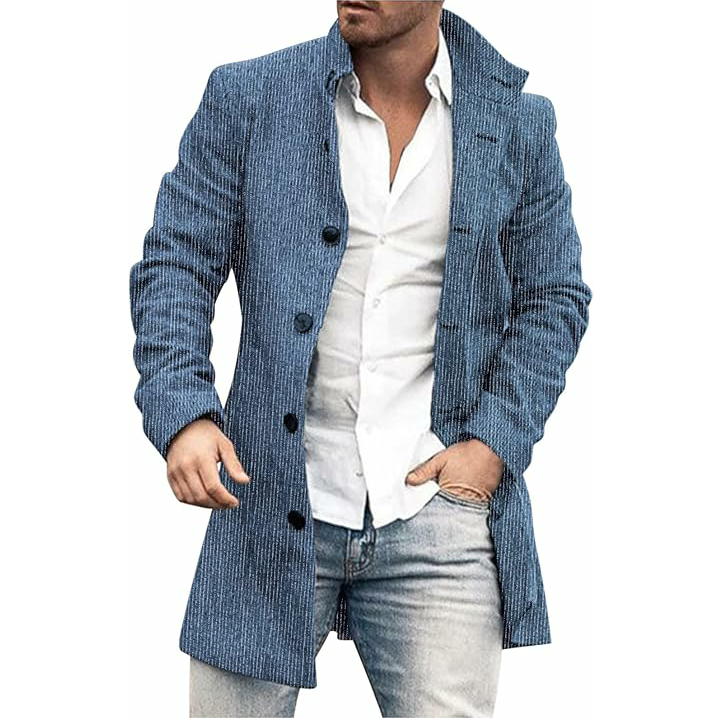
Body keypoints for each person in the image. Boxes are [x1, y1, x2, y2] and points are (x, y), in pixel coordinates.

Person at [129, 2, 592, 717]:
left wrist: (493, 444)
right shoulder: (250, 97)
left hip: (435, 508)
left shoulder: (517, 122)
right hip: (268, 497)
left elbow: (554, 297)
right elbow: (175, 263)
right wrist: (184, 411)